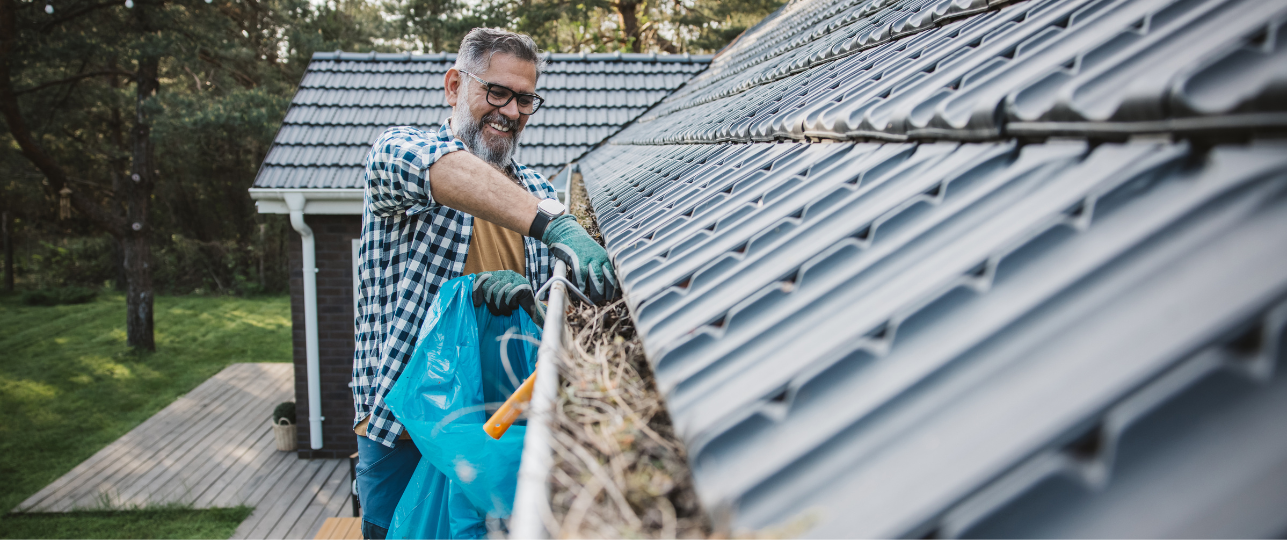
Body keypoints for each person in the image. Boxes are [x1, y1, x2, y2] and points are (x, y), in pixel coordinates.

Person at [350, 28, 618, 539]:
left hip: (495, 437)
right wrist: (555, 227)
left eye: (525, 99)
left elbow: (545, 318)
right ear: (454, 86)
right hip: (401, 433)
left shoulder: (538, 191)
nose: (511, 112)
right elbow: (441, 169)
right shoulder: (398, 155)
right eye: (496, 92)